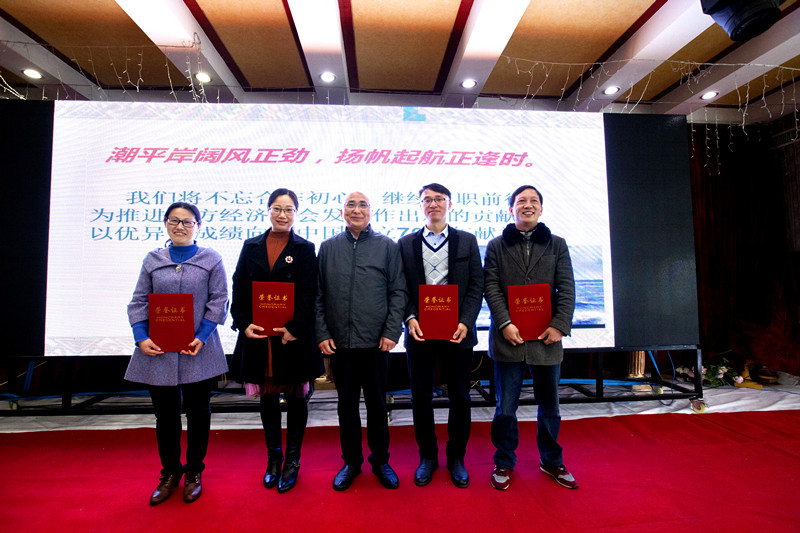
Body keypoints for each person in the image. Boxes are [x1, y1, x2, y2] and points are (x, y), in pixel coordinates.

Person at [125, 201, 229, 505]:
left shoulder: (211, 259)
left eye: (187, 222)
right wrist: (141, 337)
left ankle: (194, 471)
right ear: (166, 224)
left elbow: (219, 300)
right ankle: (170, 472)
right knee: (165, 415)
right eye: (174, 220)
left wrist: (202, 336)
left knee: (198, 412)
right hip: (159, 350)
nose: (180, 226)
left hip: (199, 349)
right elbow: (139, 301)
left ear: (198, 226)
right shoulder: (153, 259)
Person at [483, 185, 577, 490]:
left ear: (541, 208)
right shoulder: (496, 246)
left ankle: (551, 460)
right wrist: (504, 323)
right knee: (505, 408)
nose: (528, 205)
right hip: (508, 339)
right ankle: (504, 461)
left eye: (534, 200)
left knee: (550, 407)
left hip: (547, 339)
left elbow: (567, 287)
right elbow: (491, 288)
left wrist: (559, 326)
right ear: (511, 209)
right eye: (521, 200)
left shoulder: (557, 244)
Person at [230, 188, 324, 494]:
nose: (282, 215)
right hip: (260, 336)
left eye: (288, 209)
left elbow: (310, 291)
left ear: (296, 213)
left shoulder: (305, 248)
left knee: (297, 399)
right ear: (268, 210)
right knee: (268, 399)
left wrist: (295, 327)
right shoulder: (251, 246)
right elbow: (239, 286)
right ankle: (274, 458)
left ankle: (293, 460)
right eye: (277, 208)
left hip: (291, 338)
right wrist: (243, 323)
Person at [315, 191, 408, 491]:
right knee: (346, 406)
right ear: (342, 211)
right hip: (340, 344)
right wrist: (322, 333)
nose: (356, 210)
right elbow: (318, 295)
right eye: (350, 205)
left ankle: (381, 461)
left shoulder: (387, 246)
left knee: (378, 406)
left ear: (371, 211)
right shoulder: (328, 248)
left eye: (362, 205)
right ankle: (351, 462)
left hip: (376, 343)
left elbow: (398, 292)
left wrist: (392, 331)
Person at [398, 183, 483, 488]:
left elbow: (476, 285)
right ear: (421, 205)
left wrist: (465, 321)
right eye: (427, 200)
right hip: (420, 332)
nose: (433, 204)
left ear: (449, 204)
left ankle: (457, 457)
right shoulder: (406, 243)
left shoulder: (467, 240)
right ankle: (428, 456)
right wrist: (409, 317)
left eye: (438, 199)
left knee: (460, 396)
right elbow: (400, 286)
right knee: (420, 397)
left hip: (457, 332)